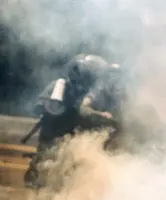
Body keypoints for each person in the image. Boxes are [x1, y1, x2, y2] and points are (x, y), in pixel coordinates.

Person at [24, 53, 118, 190]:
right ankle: (38, 172)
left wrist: (101, 117)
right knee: (45, 160)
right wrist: (51, 106)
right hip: (56, 132)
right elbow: (38, 106)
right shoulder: (59, 86)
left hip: (78, 133)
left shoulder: (95, 93)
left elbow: (89, 112)